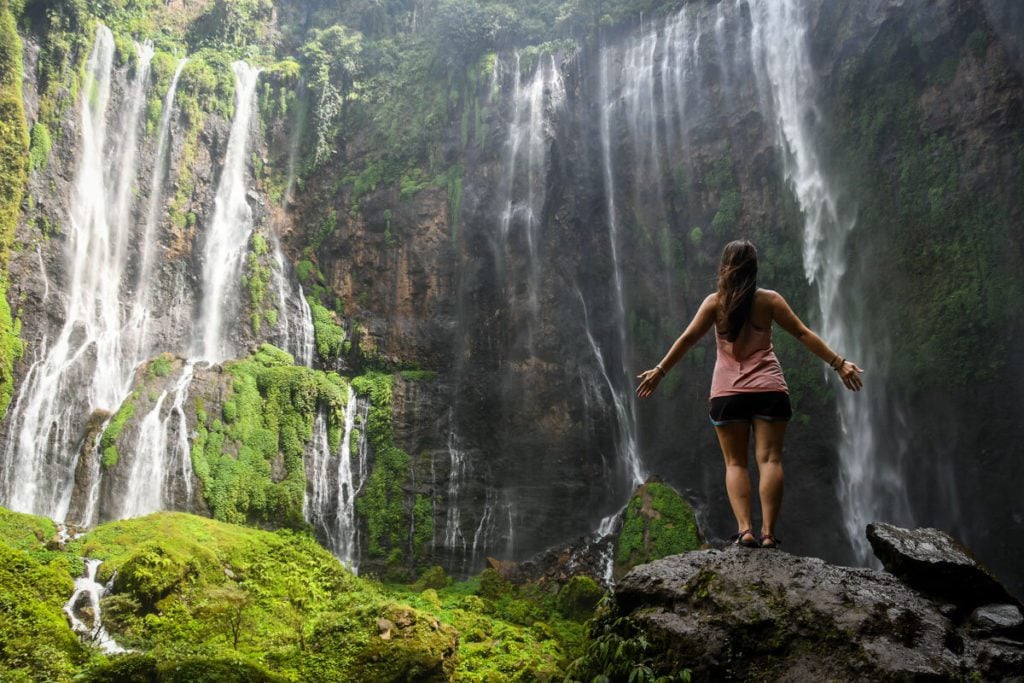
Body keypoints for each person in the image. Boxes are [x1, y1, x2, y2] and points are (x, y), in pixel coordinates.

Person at [635, 240, 863, 549]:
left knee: (736, 464)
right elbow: (802, 333)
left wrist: (659, 371)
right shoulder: (770, 301)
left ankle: (745, 532)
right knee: (770, 459)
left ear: (725, 268)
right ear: (754, 269)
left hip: (727, 394)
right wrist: (840, 364)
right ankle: (768, 534)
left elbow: (688, 339)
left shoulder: (715, 304)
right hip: (769, 389)